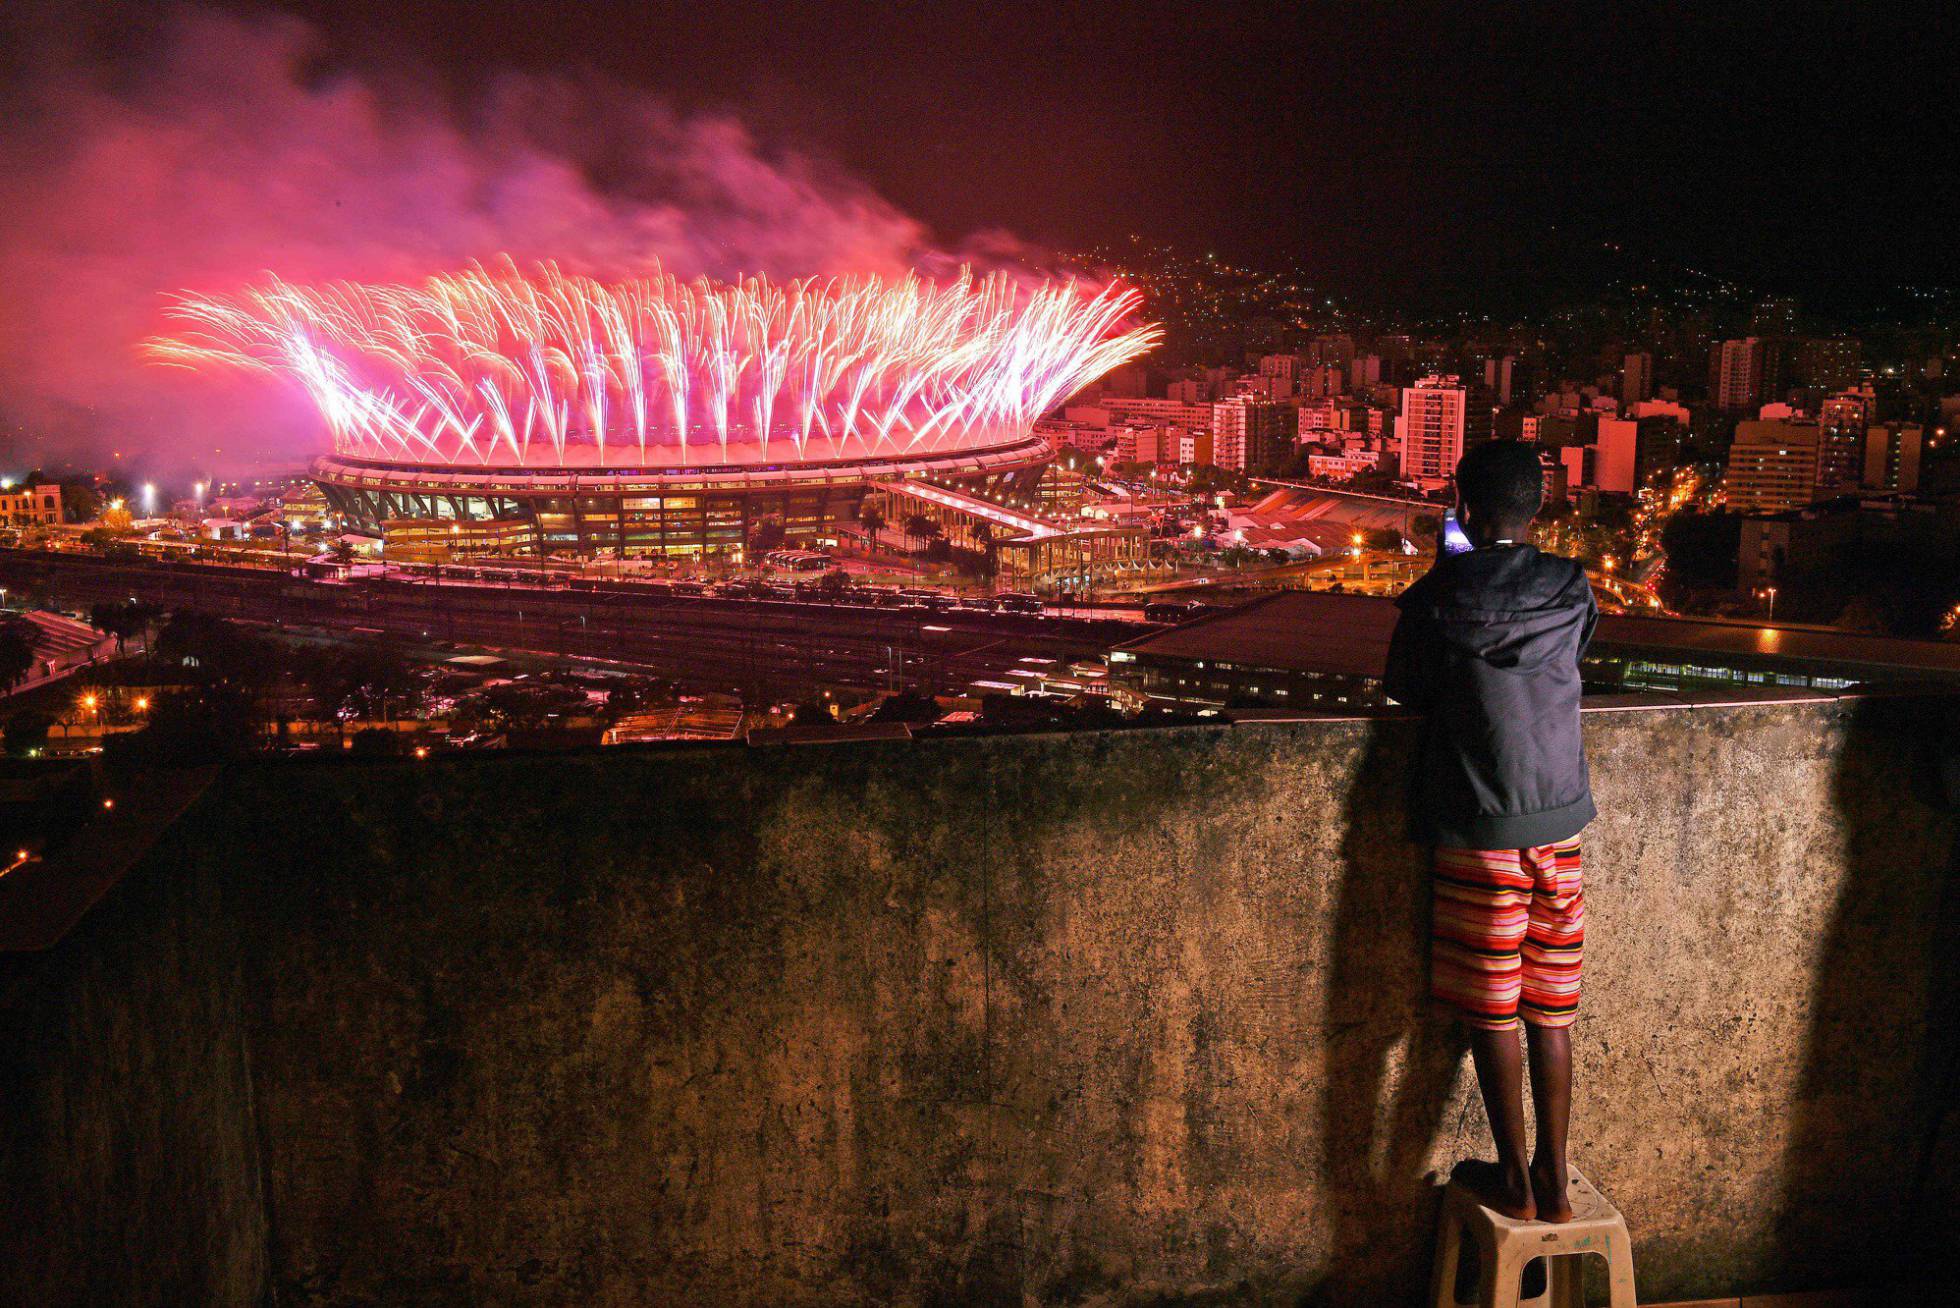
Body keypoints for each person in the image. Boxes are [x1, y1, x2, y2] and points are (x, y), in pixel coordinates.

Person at [1383, 439, 1598, 1223]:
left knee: (1492, 1006)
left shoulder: (1438, 595)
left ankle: (1510, 1176)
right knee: (1551, 1004)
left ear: (1462, 506)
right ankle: (1556, 1178)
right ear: (1539, 507)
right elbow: (1573, 657)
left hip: (1478, 821)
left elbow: (1407, 689)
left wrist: (1449, 566)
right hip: (1561, 821)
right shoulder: (1572, 587)